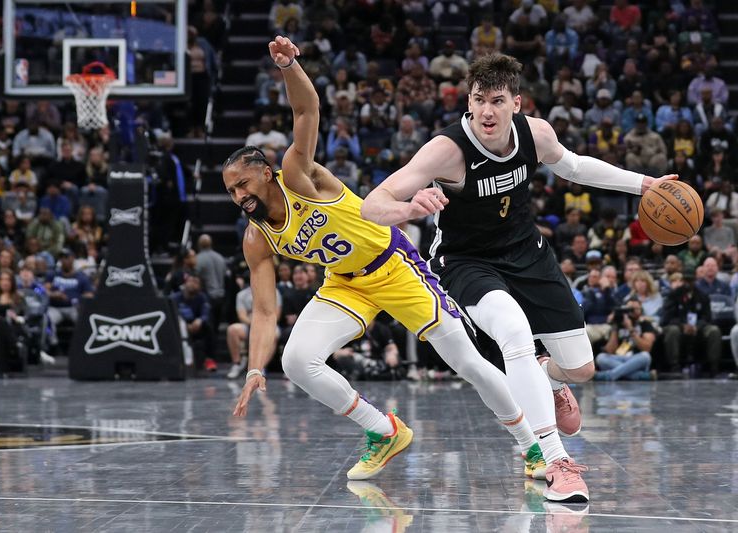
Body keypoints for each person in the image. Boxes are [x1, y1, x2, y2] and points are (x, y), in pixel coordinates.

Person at [224, 37, 549, 495]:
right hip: (345, 283)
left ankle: (531, 445)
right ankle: (383, 430)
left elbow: (306, 111)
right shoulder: (256, 237)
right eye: (231, 191)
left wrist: (289, 67)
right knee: (296, 360)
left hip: (393, 264)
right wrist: (256, 368)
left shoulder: (297, 174)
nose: (239, 196)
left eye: (242, 184)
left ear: (265, 173)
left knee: (467, 362)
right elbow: (263, 311)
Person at [364, 53, 677, 500]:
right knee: (514, 333)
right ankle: (554, 461)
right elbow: (370, 205)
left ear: (516, 102)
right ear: (468, 102)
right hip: (467, 261)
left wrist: (645, 185)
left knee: (583, 369)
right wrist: (407, 209)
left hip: (527, 252)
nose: (486, 111)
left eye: (496, 100)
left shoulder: (536, 133)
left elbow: (575, 166)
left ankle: (550, 380)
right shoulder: (447, 149)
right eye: (478, 100)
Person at [594, 297, 656, 381]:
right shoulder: (618, 324)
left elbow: (646, 348)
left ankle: (609, 375)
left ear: (641, 310)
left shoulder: (645, 324)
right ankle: (640, 376)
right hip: (619, 357)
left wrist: (630, 328)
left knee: (646, 356)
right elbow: (610, 351)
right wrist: (615, 327)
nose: (632, 311)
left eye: (635, 309)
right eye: (629, 309)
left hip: (636, 358)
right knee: (601, 358)